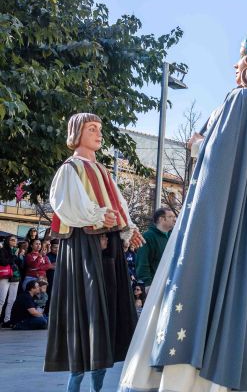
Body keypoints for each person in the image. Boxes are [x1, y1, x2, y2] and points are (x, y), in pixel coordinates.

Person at [119, 33, 247, 392]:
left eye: (240, 57)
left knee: (193, 286)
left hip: (211, 221)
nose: (235, 65)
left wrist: (198, 144)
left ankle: (180, 379)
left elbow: (216, 168)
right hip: (234, 227)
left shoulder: (240, 100)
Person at [44, 113, 143, 392]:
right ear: (77, 133)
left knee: (107, 313)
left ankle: (97, 385)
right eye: (92, 129)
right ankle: (75, 383)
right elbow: (66, 205)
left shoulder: (101, 170)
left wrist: (127, 229)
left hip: (107, 250)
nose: (98, 134)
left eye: (99, 129)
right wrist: (98, 217)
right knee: (86, 311)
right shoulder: (70, 169)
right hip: (83, 248)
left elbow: (118, 204)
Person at [134, 207, 175, 290]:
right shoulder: (147, 236)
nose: (174, 219)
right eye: (171, 217)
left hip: (171, 284)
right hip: (154, 286)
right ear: (161, 219)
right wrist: (147, 284)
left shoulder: (173, 236)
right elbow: (142, 262)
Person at [0, 235, 20, 328]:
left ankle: (7, 320)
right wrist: (14, 256)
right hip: (5, 276)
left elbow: (21, 265)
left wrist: (19, 256)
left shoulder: (17, 250)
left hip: (15, 277)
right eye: (12, 240)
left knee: (12, 300)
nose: (14, 242)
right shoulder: (2, 250)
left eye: (15, 240)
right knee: (2, 299)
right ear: (7, 241)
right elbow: (4, 262)